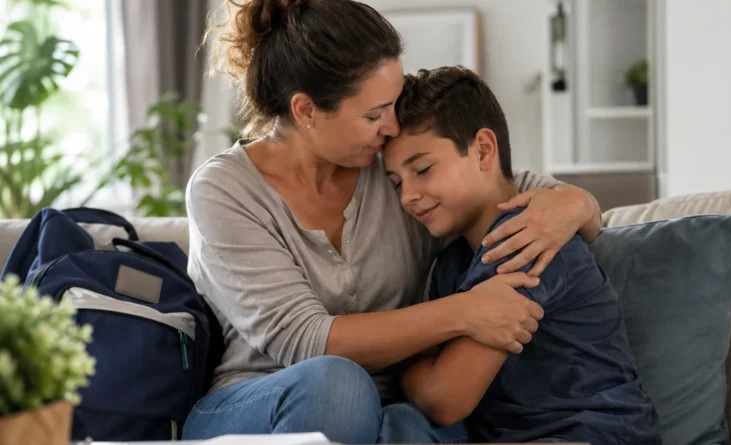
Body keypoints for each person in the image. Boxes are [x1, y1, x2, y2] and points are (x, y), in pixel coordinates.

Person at [182, 0, 604, 443]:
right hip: (262, 401)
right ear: (306, 111)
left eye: (393, 103)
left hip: (395, 412)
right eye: (373, 115)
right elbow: (306, 340)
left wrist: (577, 205)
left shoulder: (397, 175)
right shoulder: (223, 190)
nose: (391, 126)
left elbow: (501, 189)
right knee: (338, 388)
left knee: (440, 426)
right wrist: (465, 312)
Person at [383, 65, 661, 444]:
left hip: (591, 433)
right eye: (397, 182)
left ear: (483, 149)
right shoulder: (450, 265)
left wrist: (403, 361)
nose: (407, 195)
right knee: (402, 423)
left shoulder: (527, 237)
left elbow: (446, 398)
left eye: (423, 169)